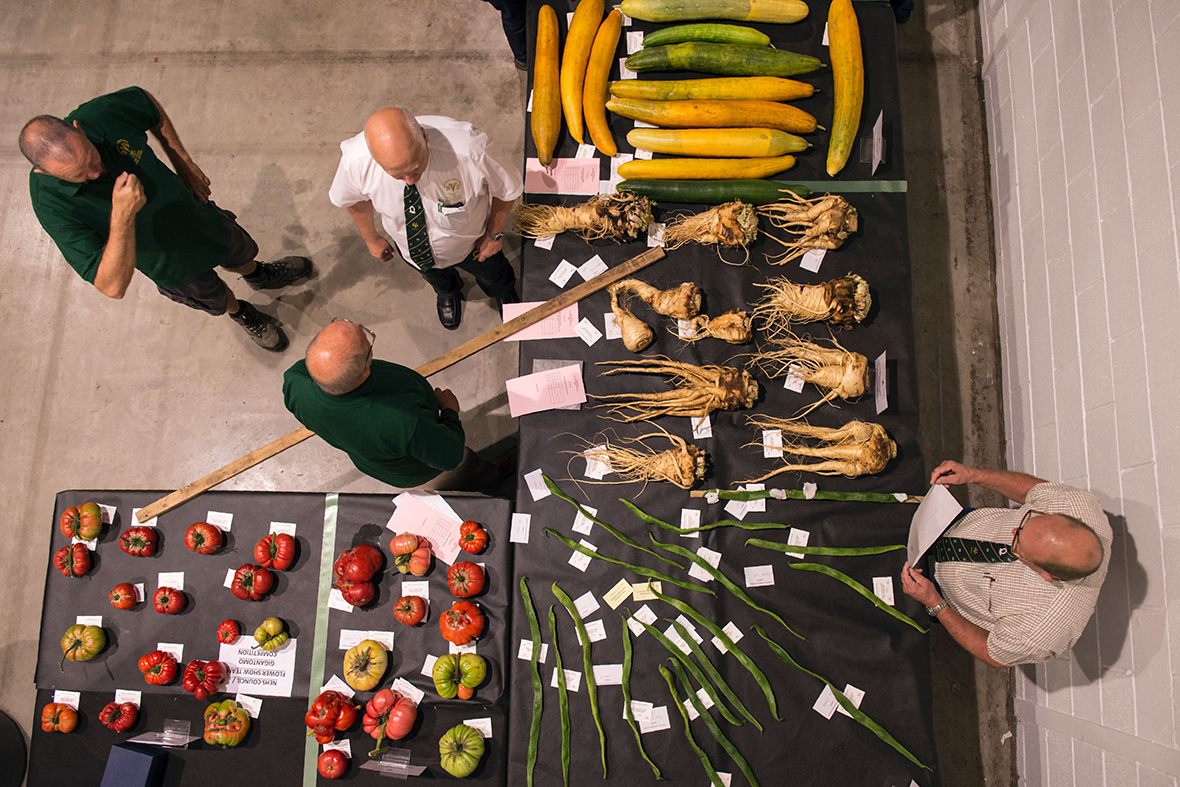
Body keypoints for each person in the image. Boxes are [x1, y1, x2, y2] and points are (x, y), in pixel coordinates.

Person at [21, 86, 312, 352]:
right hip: (170, 266)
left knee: (239, 251)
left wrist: (182, 161)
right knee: (215, 297)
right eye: (79, 176)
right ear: (45, 173)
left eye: (92, 157)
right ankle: (242, 312)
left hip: (197, 216)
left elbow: (147, 104)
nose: (96, 172)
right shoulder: (51, 205)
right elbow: (111, 286)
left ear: (78, 129)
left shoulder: (100, 115)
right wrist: (123, 215)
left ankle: (258, 275)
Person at [900, 460, 1112, 668]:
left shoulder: (1042, 631)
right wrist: (972, 475)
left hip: (940, 594)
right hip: (956, 524)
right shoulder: (1078, 506)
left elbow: (990, 653)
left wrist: (935, 603)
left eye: (1018, 543)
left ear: (1046, 575)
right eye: (1028, 518)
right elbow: (1035, 492)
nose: (1012, 531)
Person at [329, 107, 522, 331]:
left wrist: (494, 234)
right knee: (437, 279)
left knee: (495, 275)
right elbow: (352, 199)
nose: (410, 181)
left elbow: (507, 190)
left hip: (473, 244)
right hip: (413, 248)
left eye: (415, 168)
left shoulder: (470, 149)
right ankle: (448, 293)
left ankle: (503, 292)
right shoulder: (356, 161)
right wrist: (371, 238)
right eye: (397, 175)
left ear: (423, 136)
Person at [282, 319, 503, 492]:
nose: (359, 325)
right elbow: (450, 456)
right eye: (365, 339)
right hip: (422, 470)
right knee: (467, 470)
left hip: (377, 461)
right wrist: (449, 411)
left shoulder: (295, 380)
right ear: (365, 370)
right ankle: (494, 480)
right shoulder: (401, 420)